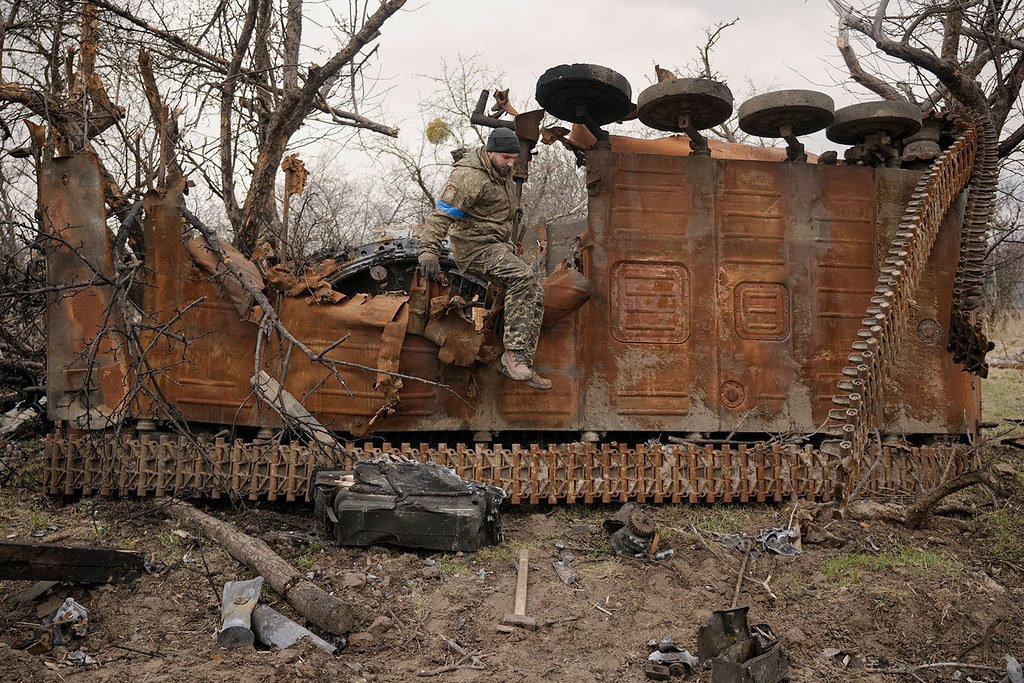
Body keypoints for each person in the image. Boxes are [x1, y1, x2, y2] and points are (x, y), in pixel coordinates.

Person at [417, 127, 551, 390]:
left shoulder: (500, 172)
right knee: (523, 278)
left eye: (514, 158)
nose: (511, 164)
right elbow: (441, 215)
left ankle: (522, 361)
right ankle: (512, 355)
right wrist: (428, 250)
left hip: (495, 246)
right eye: (505, 158)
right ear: (489, 152)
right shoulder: (468, 177)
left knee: (536, 291)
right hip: (474, 248)